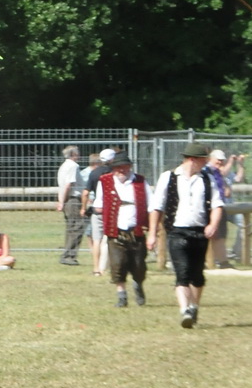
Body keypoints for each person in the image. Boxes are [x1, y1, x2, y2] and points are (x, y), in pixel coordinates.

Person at [149, 141, 225, 328]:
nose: (206, 163)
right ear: (192, 160)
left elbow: (217, 204)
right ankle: (185, 311)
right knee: (182, 273)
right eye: (203, 160)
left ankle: (194, 306)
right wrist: (152, 233)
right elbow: (156, 207)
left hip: (200, 232)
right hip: (176, 231)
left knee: (197, 275)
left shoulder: (207, 179)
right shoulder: (168, 177)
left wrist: (213, 224)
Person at [97, 152, 149, 308]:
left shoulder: (140, 181)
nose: (122, 170)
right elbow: (99, 205)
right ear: (113, 168)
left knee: (139, 265)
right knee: (118, 264)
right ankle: (122, 296)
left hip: (136, 229)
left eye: (125, 167)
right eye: (118, 167)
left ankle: (138, 284)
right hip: (116, 230)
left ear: (130, 167)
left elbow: (151, 204)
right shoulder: (104, 182)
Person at [207, 148, 245, 264]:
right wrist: (230, 162)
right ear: (211, 159)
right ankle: (214, 259)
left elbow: (239, 178)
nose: (220, 162)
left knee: (243, 224)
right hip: (215, 208)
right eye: (218, 160)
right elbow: (222, 173)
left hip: (228, 207)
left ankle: (236, 253)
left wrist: (240, 164)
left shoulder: (223, 170)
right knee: (216, 233)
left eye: (222, 160)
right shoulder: (208, 169)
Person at [85, 149, 116, 275]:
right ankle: (107, 266)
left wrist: (83, 207)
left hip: (97, 207)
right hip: (112, 208)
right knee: (110, 238)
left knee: (96, 240)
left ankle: (96, 268)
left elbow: (86, 192)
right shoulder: (115, 173)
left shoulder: (94, 173)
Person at [55, 144, 84, 265]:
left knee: (71, 227)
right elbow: (68, 184)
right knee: (76, 228)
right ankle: (69, 255)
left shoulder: (64, 166)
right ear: (73, 155)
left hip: (67, 199)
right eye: (77, 153)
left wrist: (61, 200)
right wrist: (63, 201)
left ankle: (68, 254)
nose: (79, 156)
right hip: (73, 199)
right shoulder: (73, 166)